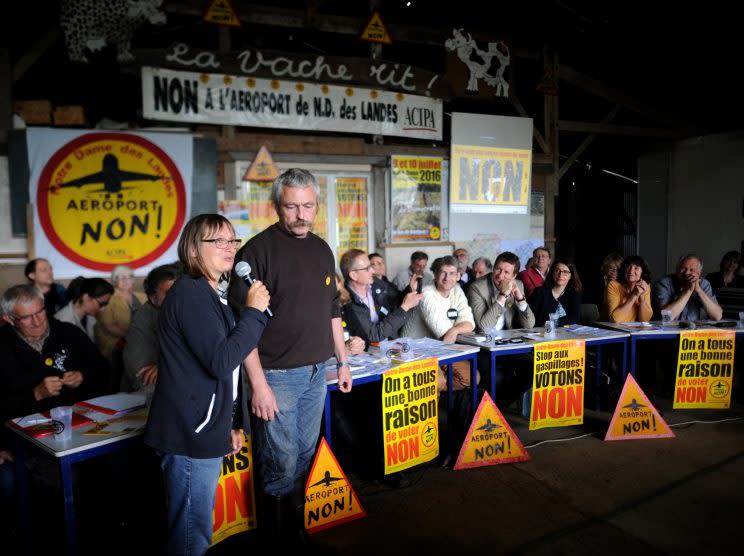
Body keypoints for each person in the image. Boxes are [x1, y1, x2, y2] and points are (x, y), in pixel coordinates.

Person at [227, 168, 352, 543]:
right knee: (279, 463)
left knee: (303, 456)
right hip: (277, 376)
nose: (301, 215)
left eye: (308, 206)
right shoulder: (255, 253)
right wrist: (258, 385)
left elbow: (333, 310)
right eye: (292, 206)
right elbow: (242, 327)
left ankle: (296, 534)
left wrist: (342, 361)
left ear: (317, 205)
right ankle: (278, 540)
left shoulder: (321, 248)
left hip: (318, 372)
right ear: (276, 206)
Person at [144, 214, 270, 556]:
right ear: (193, 251)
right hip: (189, 433)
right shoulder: (191, 296)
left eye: (232, 240)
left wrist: (231, 423)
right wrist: (254, 313)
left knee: (197, 529)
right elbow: (221, 361)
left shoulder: (211, 293)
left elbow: (226, 372)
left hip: (205, 426)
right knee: (190, 536)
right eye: (217, 241)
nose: (228, 248)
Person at [0, 284, 107, 420]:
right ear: (9, 319)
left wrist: (83, 376)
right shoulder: (3, 347)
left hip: (77, 420)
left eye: (40, 312)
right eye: (26, 317)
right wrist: (36, 394)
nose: (37, 321)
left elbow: (103, 369)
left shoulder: (69, 332)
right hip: (24, 429)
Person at [401, 255, 477, 391]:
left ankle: (429, 392)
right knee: (437, 381)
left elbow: (469, 323)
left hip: (440, 350)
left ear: (458, 276)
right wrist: (456, 329)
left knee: (472, 377)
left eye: (452, 273)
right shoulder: (427, 294)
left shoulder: (457, 290)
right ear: (435, 275)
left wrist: (454, 330)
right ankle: (429, 392)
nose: (447, 278)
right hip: (416, 350)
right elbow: (442, 333)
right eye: (443, 273)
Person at [340, 249, 422, 346]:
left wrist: (410, 289)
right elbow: (374, 335)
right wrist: (405, 307)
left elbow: (395, 300)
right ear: (353, 275)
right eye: (367, 269)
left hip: (391, 344)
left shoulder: (375, 283)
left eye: (370, 266)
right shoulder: (347, 302)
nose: (372, 270)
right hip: (367, 354)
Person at [121, 263, 180, 392]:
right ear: (154, 299)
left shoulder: (194, 310)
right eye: (170, 293)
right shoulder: (143, 319)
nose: (178, 298)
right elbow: (142, 376)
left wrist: (168, 367)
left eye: (182, 291)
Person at [468, 251, 535, 332]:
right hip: (484, 339)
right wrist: (503, 295)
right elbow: (484, 327)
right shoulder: (476, 288)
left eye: (506, 272)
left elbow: (529, 325)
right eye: (498, 269)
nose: (500, 276)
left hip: (508, 338)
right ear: (493, 268)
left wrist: (520, 299)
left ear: (514, 276)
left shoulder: (518, 285)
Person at [95, 265, 147, 361]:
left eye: (129, 277)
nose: (126, 281)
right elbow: (108, 326)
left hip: (143, 338)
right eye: (121, 277)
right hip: (116, 342)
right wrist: (131, 336)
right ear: (114, 280)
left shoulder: (143, 296)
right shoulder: (108, 297)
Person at [652, 254, 723, 321]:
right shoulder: (664, 283)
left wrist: (698, 290)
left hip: (693, 331)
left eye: (691, 270)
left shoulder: (704, 284)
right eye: (683, 268)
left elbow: (717, 316)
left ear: (699, 274)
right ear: (677, 270)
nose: (686, 273)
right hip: (667, 330)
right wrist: (688, 291)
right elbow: (666, 317)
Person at [54, 277, 114, 343]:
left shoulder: (88, 316)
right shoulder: (63, 323)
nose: (103, 309)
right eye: (101, 304)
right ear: (86, 298)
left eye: (106, 304)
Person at [528, 259, 583, 327]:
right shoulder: (539, 292)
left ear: (571, 276)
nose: (560, 275)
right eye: (557, 270)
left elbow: (575, 318)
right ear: (552, 273)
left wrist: (552, 323)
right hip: (542, 333)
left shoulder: (574, 293)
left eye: (565, 272)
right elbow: (529, 319)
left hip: (566, 334)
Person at [602, 255, 653, 322]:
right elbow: (615, 320)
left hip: (633, 330)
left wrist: (642, 297)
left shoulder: (645, 285)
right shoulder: (613, 285)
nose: (631, 271)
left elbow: (644, 320)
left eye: (636, 268)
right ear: (623, 269)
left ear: (642, 272)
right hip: (610, 329)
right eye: (628, 266)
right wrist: (634, 295)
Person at [334, 271, 365, 356]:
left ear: (340, 284)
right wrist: (344, 349)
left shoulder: (346, 307)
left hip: (353, 357)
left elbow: (361, 334)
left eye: (333, 283)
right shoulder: (318, 312)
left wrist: (359, 343)